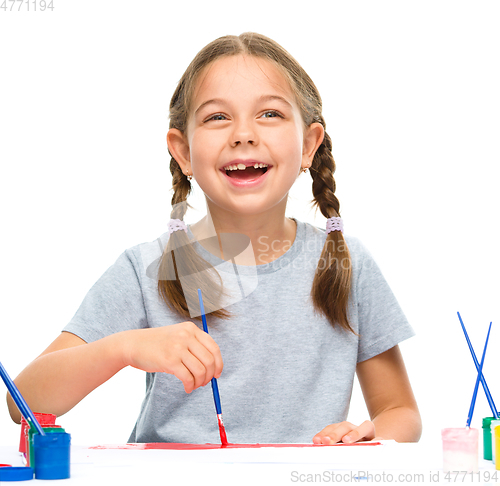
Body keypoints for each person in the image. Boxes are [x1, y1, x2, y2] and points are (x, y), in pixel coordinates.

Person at [7, 33, 421, 445]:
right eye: (217, 117)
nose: (243, 134)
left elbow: (399, 412)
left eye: (270, 114)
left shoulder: (346, 264)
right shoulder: (145, 269)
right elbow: (22, 400)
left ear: (309, 145)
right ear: (182, 151)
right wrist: (126, 348)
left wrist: (368, 437)